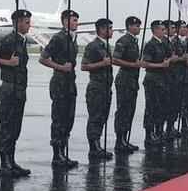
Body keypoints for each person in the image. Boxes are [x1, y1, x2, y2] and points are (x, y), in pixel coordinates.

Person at [0, 8, 32, 177]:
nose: (29, 25)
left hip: (20, 90)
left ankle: (11, 160)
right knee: (7, 126)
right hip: (9, 89)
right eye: (26, 22)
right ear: (17, 23)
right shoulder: (8, 40)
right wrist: (7, 62)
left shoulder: (22, 41)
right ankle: (4, 163)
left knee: (15, 127)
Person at [40, 9, 80, 167]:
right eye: (73, 20)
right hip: (60, 83)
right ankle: (57, 155)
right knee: (59, 119)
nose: (76, 23)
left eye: (77, 20)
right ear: (65, 21)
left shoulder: (73, 38)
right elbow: (43, 59)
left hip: (70, 83)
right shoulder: (58, 38)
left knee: (69, 119)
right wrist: (61, 67)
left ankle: (63, 152)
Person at [82, 17, 115, 160]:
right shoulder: (93, 46)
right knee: (95, 117)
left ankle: (98, 144)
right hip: (96, 88)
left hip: (106, 87)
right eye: (110, 28)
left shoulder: (105, 45)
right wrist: (102, 63)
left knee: (102, 117)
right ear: (101, 29)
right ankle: (93, 147)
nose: (112, 31)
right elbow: (84, 66)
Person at [112, 15, 143, 153]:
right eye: (136, 26)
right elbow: (115, 59)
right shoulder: (123, 41)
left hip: (132, 80)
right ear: (129, 26)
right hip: (124, 79)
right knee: (123, 111)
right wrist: (132, 65)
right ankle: (119, 141)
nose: (139, 28)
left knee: (130, 111)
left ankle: (125, 138)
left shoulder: (134, 41)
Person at [142, 19, 171, 147]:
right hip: (152, 80)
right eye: (162, 29)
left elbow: (169, 56)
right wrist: (161, 65)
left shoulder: (164, 43)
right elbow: (145, 63)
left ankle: (158, 131)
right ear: (155, 30)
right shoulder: (150, 45)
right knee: (151, 108)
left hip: (163, 79)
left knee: (161, 107)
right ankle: (149, 134)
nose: (164, 32)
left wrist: (169, 60)